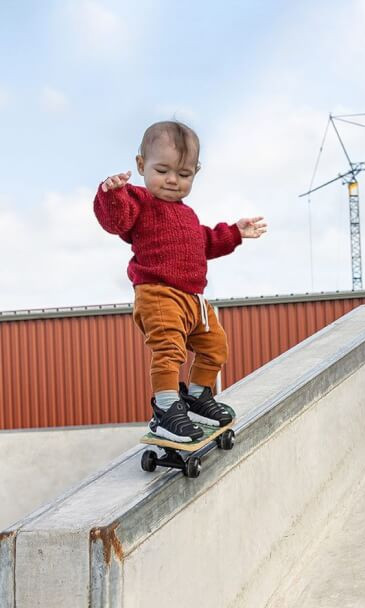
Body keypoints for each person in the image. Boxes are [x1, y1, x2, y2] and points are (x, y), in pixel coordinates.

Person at [94, 120, 267, 442]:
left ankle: (197, 396)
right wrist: (111, 194)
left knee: (215, 346)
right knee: (169, 350)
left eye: (184, 174)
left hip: (194, 300)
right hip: (158, 294)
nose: (173, 180)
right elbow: (117, 221)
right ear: (141, 165)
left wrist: (235, 232)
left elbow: (205, 242)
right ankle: (166, 409)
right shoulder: (137, 201)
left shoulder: (186, 214)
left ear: (195, 173)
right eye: (162, 171)